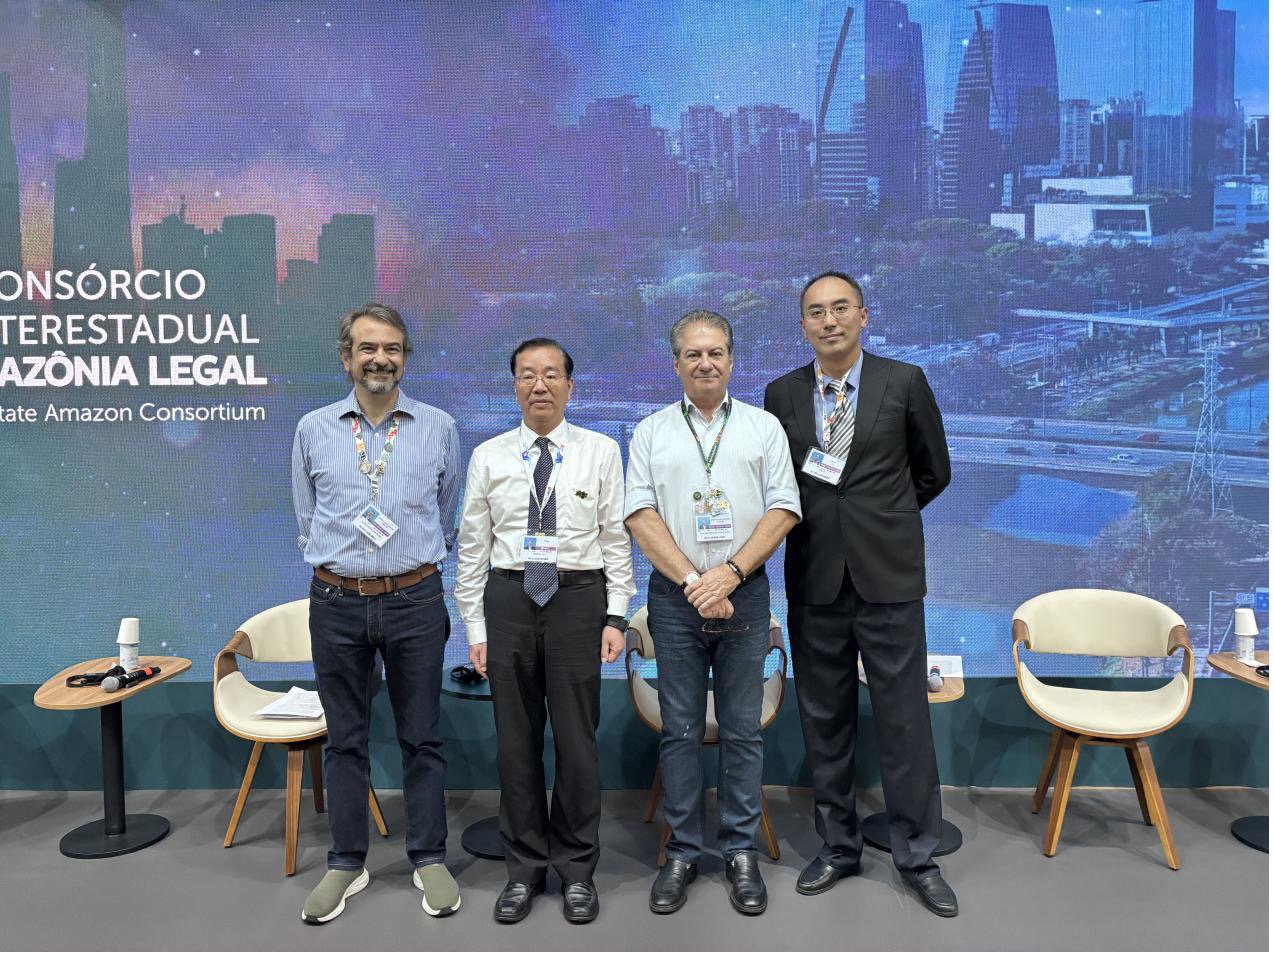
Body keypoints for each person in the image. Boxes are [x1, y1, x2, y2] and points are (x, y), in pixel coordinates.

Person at [763, 271, 956, 917]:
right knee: (825, 721)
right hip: (814, 575)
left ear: (864, 316)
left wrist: (882, 517)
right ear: (803, 326)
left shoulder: (904, 382)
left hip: (888, 576)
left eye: (841, 308)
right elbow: (779, 483)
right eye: (816, 312)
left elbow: (934, 471)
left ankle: (917, 856)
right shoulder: (781, 393)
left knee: (904, 721)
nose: (830, 321)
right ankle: (838, 847)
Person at [625, 310, 801, 917]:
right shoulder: (650, 431)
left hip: (744, 592)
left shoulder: (763, 428)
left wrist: (729, 574)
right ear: (675, 363)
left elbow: (783, 508)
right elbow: (640, 515)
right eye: (693, 354)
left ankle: (739, 851)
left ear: (731, 360)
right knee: (679, 730)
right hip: (675, 598)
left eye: (716, 352)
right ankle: (681, 851)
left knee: (742, 729)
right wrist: (696, 582)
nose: (706, 363)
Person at [291, 303, 462, 923]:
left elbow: (446, 513)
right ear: (346, 357)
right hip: (336, 602)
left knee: (422, 737)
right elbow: (307, 516)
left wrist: (404, 565)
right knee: (344, 740)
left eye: (392, 348)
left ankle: (429, 856)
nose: (380, 359)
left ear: (405, 358)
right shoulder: (312, 429)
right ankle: (346, 862)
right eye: (367, 348)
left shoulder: (439, 427)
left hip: (416, 599)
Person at [456, 338, 634, 925]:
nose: (540, 385)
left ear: (569, 386)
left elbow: (616, 539)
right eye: (528, 375)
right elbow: (472, 548)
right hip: (508, 599)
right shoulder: (488, 455)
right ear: (514, 385)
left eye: (552, 374)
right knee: (516, 743)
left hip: (578, 600)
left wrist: (616, 615)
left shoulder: (601, 450)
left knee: (578, 743)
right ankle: (524, 870)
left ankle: (578, 870)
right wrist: (476, 628)